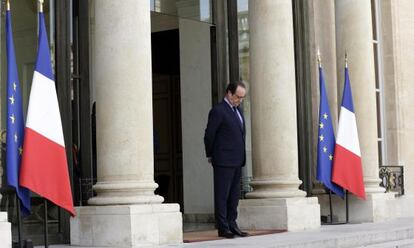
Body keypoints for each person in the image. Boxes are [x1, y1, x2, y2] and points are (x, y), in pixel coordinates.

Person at [204, 81, 248, 239]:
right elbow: (209, 135)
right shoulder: (218, 111)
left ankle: (232, 224)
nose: (240, 100)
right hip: (223, 160)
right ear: (229, 93)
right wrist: (210, 155)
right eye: (238, 97)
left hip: (237, 160)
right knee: (222, 195)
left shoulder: (238, 111)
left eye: (242, 98)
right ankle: (223, 227)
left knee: (234, 195)